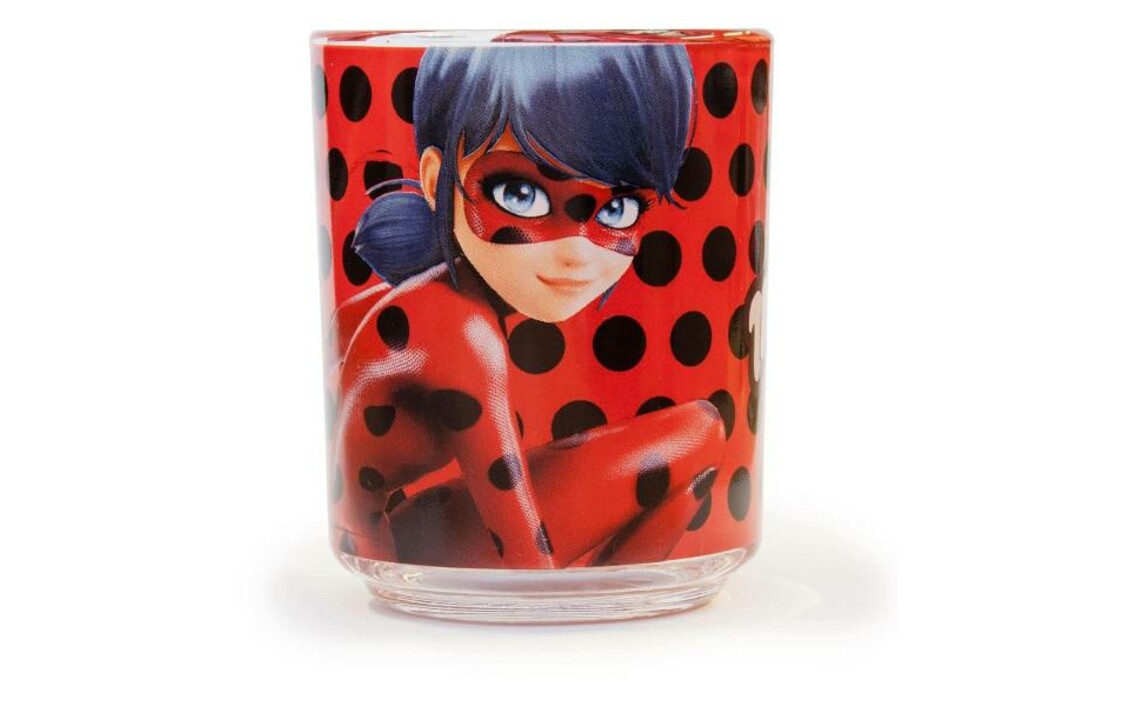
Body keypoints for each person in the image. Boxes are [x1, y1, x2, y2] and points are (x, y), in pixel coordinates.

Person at [328, 44, 725, 569]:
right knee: (700, 433)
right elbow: (520, 549)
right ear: (436, 181)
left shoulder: (402, 300)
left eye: (619, 208)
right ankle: (594, 604)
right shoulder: (460, 331)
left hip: (402, 544)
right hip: (395, 554)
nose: (576, 252)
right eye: (519, 193)